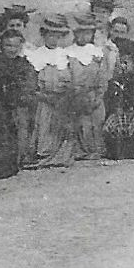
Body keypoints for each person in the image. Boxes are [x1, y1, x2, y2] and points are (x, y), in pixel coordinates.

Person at [26, 15, 79, 166]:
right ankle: (43, 154)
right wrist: (43, 95)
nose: (53, 40)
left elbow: (71, 79)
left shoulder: (64, 55)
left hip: (61, 100)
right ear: (43, 35)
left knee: (60, 126)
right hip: (44, 99)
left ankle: (60, 155)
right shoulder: (37, 55)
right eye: (50, 36)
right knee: (43, 125)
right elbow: (32, 81)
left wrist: (65, 95)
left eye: (57, 36)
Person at [0, 29, 35, 167]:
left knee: (21, 128)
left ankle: (20, 157)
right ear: (1, 46)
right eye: (8, 45)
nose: (11, 49)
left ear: (20, 47)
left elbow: (29, 85)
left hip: (18, 103)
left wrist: (22, 95)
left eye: (15, 46)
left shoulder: (24, 65)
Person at [66, 13, 111, 160]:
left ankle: (96, 150)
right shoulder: (69, 53)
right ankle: (80, 150)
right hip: (76, 95)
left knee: (96, 123)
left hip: (95, 95)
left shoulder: (97, 52)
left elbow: (102, 76)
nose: (84, 37)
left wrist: (99, 95)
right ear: (75, 34)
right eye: (80, 33)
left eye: (87, 33)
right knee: (80, 124)